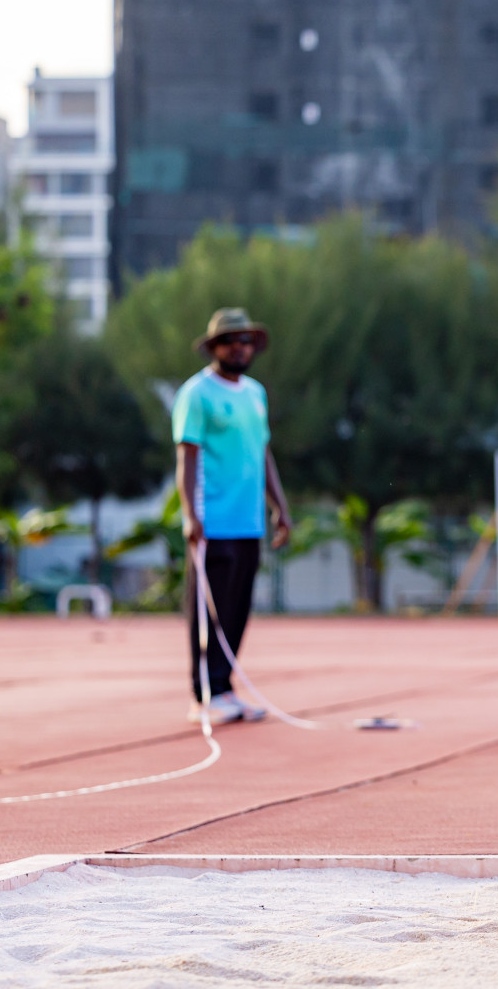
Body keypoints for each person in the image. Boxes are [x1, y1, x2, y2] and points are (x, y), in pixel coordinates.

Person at [172, 308, 292, 725]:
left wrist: (280, 507)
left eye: (245, 342)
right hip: (212, 519)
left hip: (247, 520)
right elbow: (186, 456)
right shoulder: (196, 394)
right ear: (214, 347)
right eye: (229, 341)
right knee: (210, 609)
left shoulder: (255, 393)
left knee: (238, 608)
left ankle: (225, 688)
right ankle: (203, 694)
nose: (238, 348)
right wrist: (190, 515)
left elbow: (262, 453)